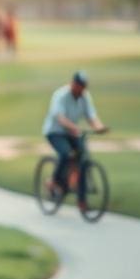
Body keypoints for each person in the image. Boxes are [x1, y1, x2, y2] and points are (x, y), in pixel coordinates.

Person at [41, 71, 107, 211]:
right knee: (66, 154)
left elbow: (91, 116)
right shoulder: (60, 95)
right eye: (79, 85)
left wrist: (99, 127)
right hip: (55, 132)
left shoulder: (85, 96)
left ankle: (81, 201)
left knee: (82, 159)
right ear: (73, 83)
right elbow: (60, 118)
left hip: (73, 132)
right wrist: (74, 127)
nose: (81, 89)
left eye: (83, 86)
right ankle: (54, 181)